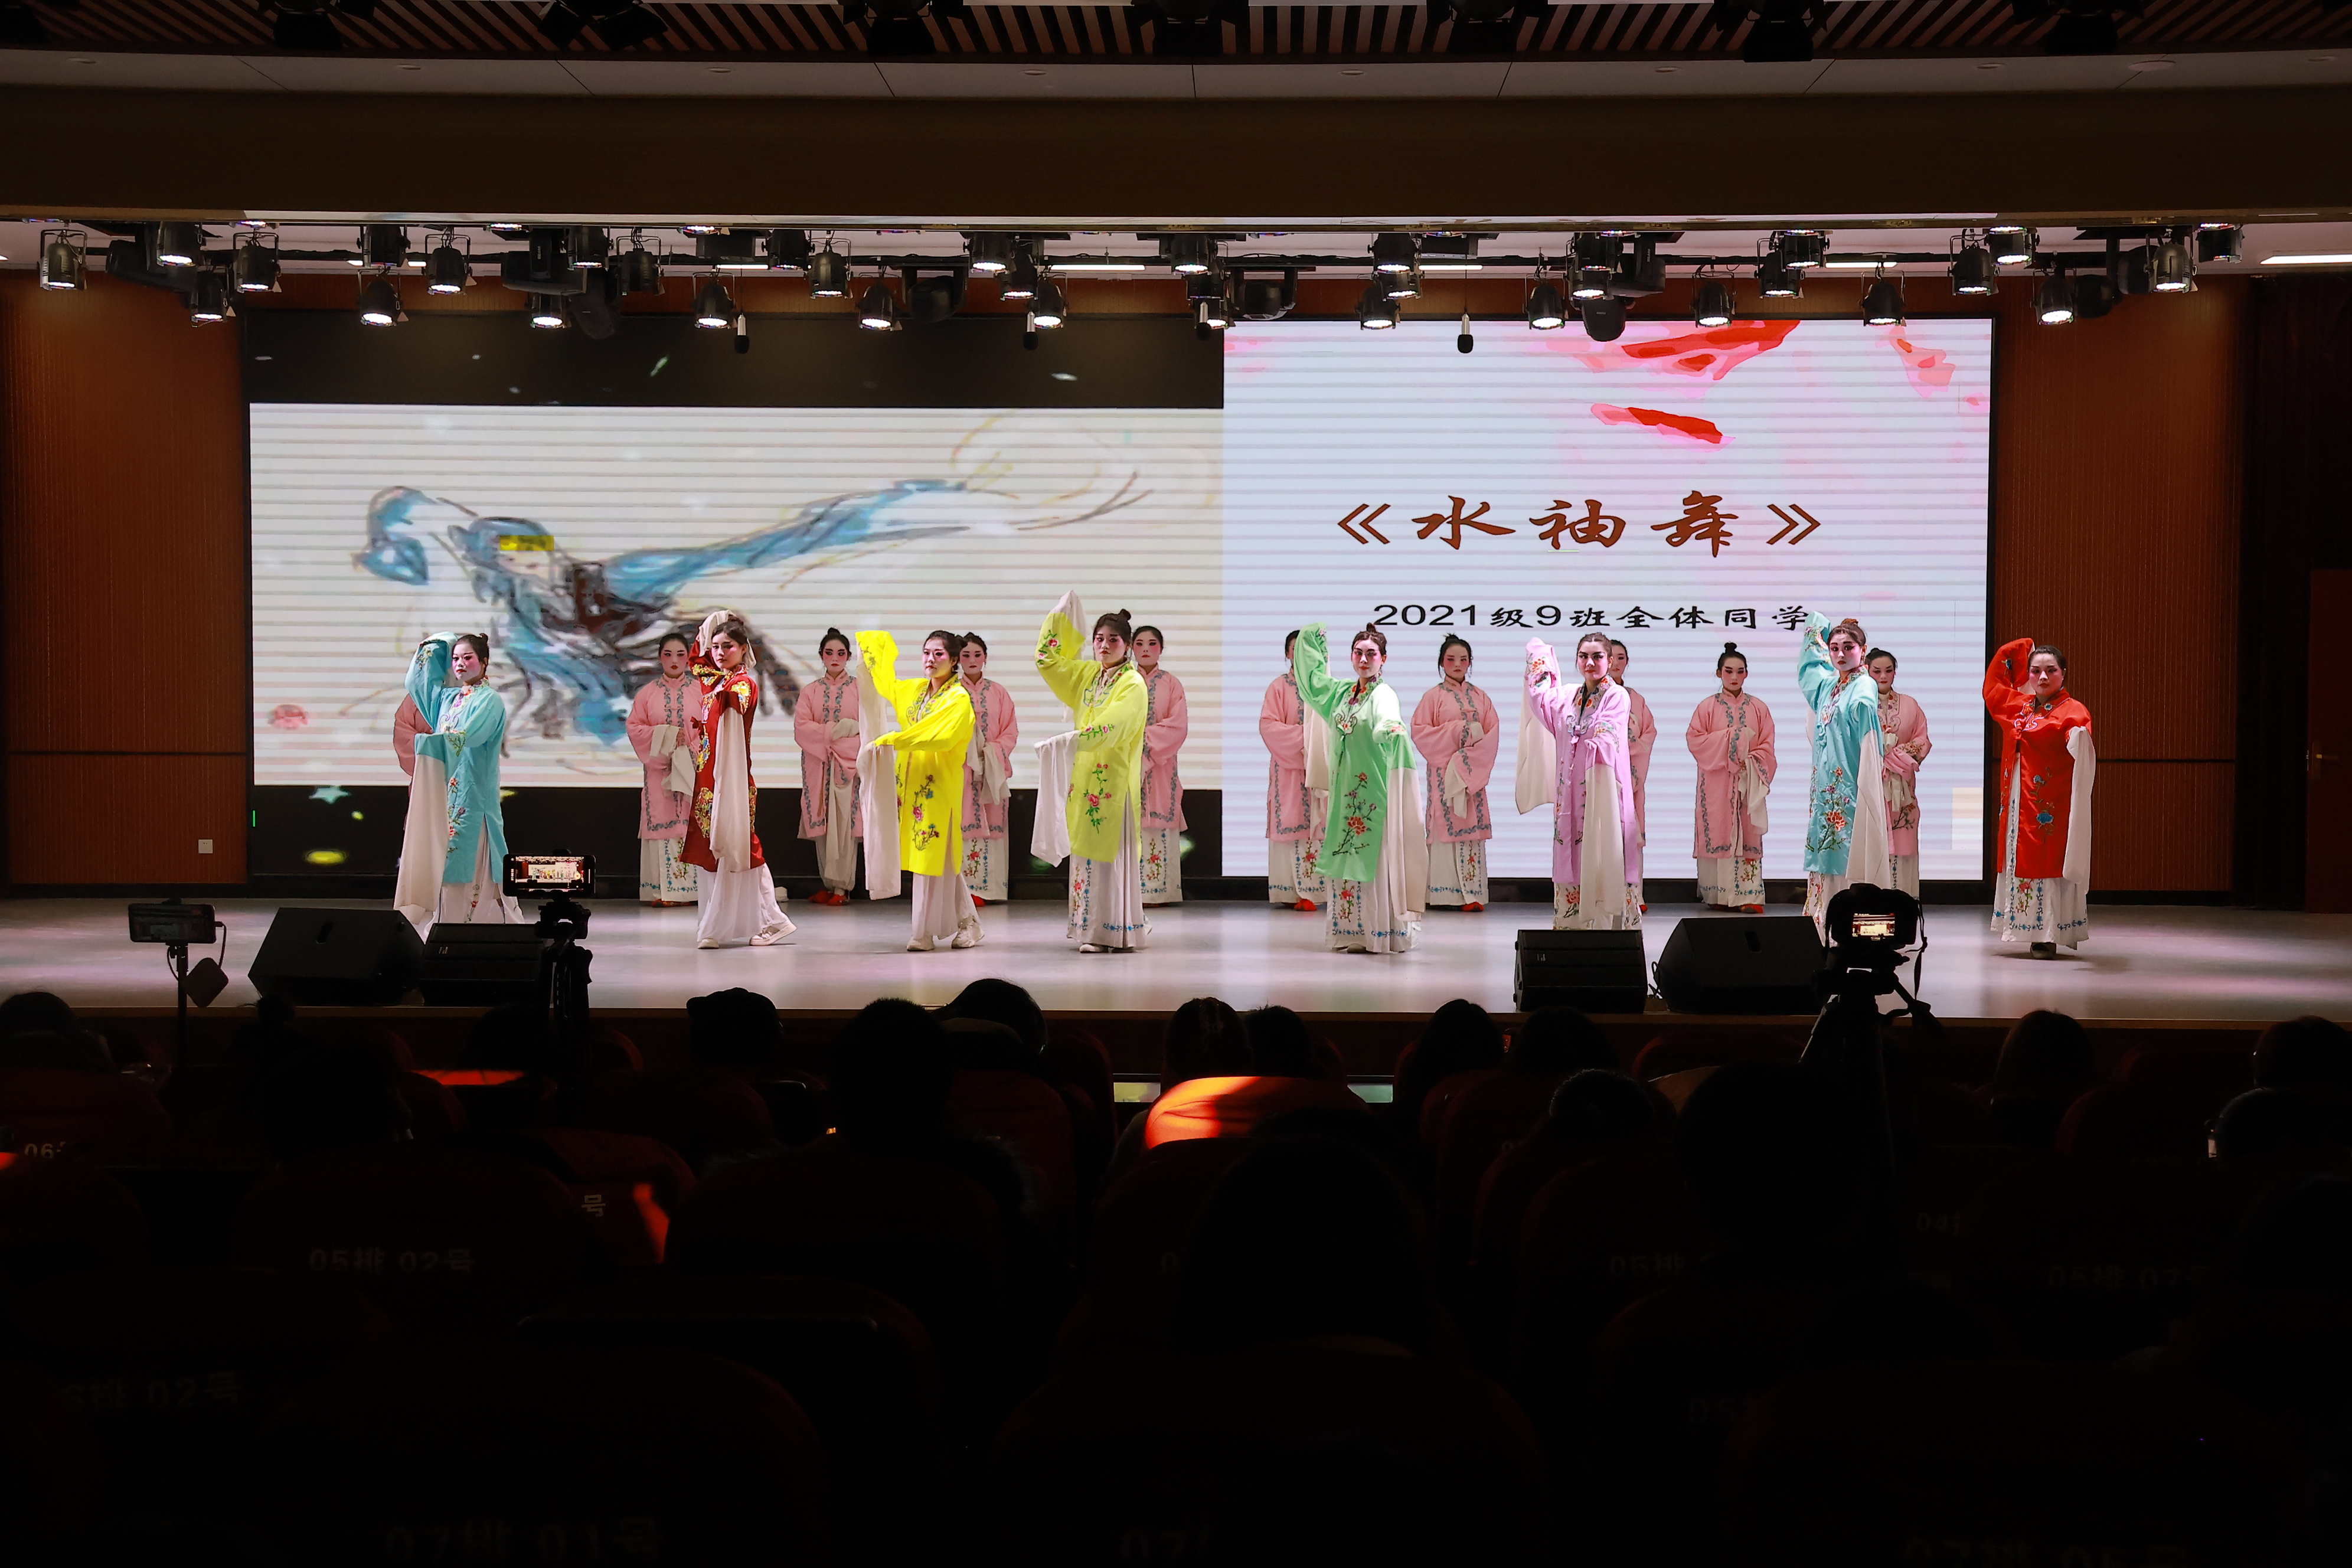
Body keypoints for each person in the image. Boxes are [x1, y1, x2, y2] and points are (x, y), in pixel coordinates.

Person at [1292, 623, 1425, 954]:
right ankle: (1349, 932)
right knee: (1346, 858)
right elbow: (1313, 682)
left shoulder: (1383, 694)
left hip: (1372, 793)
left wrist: (1390, 730)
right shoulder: (1342, 694)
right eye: (1358, 653)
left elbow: (1386, 718)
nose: (1364, 660)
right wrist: (1311, 638)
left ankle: (1379, 933)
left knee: (1374, 860)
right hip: (1344, 793)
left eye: (1371, 654)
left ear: (1383, 659)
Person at [1035, 595, 1151, 953]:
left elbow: (1115, 725)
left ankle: (1110, 932)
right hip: (1084, 779)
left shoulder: (1133, 683)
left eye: (1113, 640)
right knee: (1085, 854)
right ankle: (1088, 928)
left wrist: (1074, 739)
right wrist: (1058, 618)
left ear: (1127, 646)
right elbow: (1047, 661)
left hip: (1113, 782)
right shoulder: (1088, 676)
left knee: (1108, 859)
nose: (1103, 645)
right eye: (1099, 639)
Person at [860, 629, 984, 953]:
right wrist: (874, 646)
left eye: (938, 654)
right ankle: (968, 921)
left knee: (930, 856)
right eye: (927, 653)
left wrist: (894, 739)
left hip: (938, 786)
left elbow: (937, 737)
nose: (930, 659)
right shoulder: (916, 690)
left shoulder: (958, 699)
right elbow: (887, 684)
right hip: (913, 783)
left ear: (954, 661)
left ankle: (924, 931)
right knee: (938, 859)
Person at [681, 612, 795, 949]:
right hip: (708, 781)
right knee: (720, 851)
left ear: (744, 649)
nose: (719, 652)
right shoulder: (716, 679)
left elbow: (738, 702)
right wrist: (718, 618)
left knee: (739, 847)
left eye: (728, 646)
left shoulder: (742, 684)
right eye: (716, 646)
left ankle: (739, 925)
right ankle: (750, 922)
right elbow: (696, 658)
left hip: (731, 782)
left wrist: (724, 698)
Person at [393, 632, 521, 928]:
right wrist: (440, 641)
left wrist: (432, 743)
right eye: (455, 659)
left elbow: (469, 736)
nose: (460, 664)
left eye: (468, 658)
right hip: (448, 797)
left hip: (474, 799)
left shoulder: (490, 700)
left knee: (470, 866)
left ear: (484, 662)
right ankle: (448, 926)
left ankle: (476, 929)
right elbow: (417, 682)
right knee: (447, 864)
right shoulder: (448, 699)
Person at [1984, 636, 2095, 957]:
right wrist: (2022, 648)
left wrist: (2078, 739)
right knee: (2016, 856)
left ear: (2064, 673)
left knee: (2047, 861)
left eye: (2051, 670)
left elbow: (2081, 744)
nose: (2043, 677)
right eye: (2035, 671)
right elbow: (1993, 687)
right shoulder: (2018, 706)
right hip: (2017, 801)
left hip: (2048, 806)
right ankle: (2018, 925)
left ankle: (2046, 934)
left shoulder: (2073, 712)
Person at [1524, 632, 1642, 930]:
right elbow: (1541, 699)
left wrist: (1593, 744)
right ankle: (1571, 930)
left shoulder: (1617, 696)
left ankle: (1607, 933)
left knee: (1603, 853)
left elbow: (1609, 730)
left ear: (1610, 661)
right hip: (1569, 795)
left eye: (1597, 657)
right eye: (1584, 656)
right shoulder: (1567, 697)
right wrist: (1540, 656)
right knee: (1571, 854)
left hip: (1601, 793)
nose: (1590, 663)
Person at [1798, 613, 1887, 939]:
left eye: (1848, 647)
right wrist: (1818, 625)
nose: (1839, 654)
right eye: (1834, 648)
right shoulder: (1829, 686)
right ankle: (1823, 928)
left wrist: (1866, 783)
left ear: (1863, 650)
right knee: (1827, 853)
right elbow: (1809, 669)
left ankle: (1856, 932)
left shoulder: (1864, 686)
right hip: (1826, 788)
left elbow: (1868, 736)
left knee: (1852, 853)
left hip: (1850, 785)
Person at [1410, 635, 1501, 913]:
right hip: (1444, 776)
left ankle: (1472, 894)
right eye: (1451, 659)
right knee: (1444, 827)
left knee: (1471, 830)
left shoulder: (1481, 697)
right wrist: (1457, 732)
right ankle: (1444, 894)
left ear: (1470, 662)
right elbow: (1420, 733)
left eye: (1463, 659)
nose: (1457, 664)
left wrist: (1468, 760)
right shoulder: (1433, 697)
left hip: (1471, 777)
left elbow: (1492, 735)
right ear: (1442, 663)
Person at [1685, 642, 1776, 913]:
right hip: (1716, 783)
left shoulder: (1759, 708)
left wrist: (1751, 760)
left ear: (1747, 673)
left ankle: (1748, 895)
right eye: (1728, 671)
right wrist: (1733, 738)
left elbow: (1767, 746)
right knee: (1718, 829)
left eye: (1740, 671)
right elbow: (1695, 741)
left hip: (1748, 780)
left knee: (1746, 831)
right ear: (1719, 673)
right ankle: (1716, 894)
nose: (1734, 677)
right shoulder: (1706, 707)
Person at [626, 631, 703, 907]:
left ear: (689, 657)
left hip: (692, 772)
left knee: (690, 825)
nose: (674, 660)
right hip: (660, 775)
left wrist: (688, 750)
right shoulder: (647, 694)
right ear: (660, 657)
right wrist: (667, 737)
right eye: (668, 654)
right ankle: (662, 891)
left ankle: (691, 892)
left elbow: (711, 730)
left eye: (680, 654)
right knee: (662, 822)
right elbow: (635, 728)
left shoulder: (701, 691)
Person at [792, 628, 861, 907]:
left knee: (844, 827)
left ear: (849, 657)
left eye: (841, 653)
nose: (835, 658)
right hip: (818, 766)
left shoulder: (860, 689)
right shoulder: (810, 692)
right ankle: (829, 884)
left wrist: (834, 739)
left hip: (848, 767)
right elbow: (801, 728)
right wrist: (837, 732)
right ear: (821, 656)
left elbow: (866, 731)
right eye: (829, 653)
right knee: (823, 826)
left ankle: (843, 887)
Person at [1260, 629, 1328, 913]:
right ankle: (1290, 891)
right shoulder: (1278, 687)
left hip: (1320, 772)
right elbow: (1269, 727)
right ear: (1288, 653)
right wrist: (1308, 739)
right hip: (1288, 773)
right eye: (1295, 648)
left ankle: (1317, 892)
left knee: (1317, 825)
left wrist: (1317, 743)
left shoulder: (1325, 688)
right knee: (1291, 822)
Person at [952, 633, 1020, 907]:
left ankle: (988, 889)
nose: (972, 660)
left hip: (991, 771)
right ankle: (962, 892)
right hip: (960, 771)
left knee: (992, 827)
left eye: (977, 655)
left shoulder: (999, 692)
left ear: (986, 658)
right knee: (962, 826)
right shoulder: (951, 691)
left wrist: (989, 753)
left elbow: (1010, 732)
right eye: (965, 655)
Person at [1866, 648, 1933, 900]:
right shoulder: (1860, 705)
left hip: (1901, 787)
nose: (1883, 676)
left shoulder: (1910, 704)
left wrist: (1896, 755)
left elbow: (1922, 739)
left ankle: (1903, 901)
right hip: (1871, 784)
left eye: (1889, 670)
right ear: (1867, 672)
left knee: (1904, 840)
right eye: (1877, 671)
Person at [1132, 625, 1188, 907]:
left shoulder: (1171, 684)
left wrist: (1144, 745)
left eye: (1152, 644)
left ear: (1161, 649)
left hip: (1162, 768)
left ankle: (1159, 892)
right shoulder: (1123, 681)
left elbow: (1177, 726)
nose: (1146, 649)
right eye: (1139, 643)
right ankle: (1130, 894)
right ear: (1131, 648)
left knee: (1158, 823)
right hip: (1127, 766)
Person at [1608, 639, 1658, 860]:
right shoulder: (1589, 697)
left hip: (1630, 773)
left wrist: (1631, 747)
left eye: (1621, 658)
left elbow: (1649, 732)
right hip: (1600, 774)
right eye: (1611, 658)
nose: (1616, 663)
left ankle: (1630, 885)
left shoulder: (1636, 699)